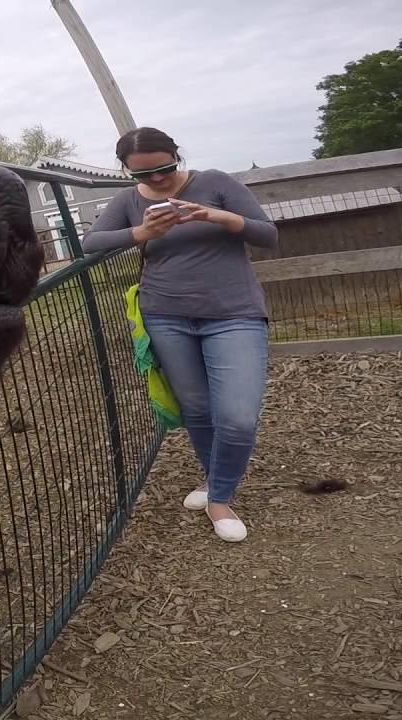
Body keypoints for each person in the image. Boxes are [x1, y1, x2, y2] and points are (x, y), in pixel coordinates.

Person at [83, 127, 278, 542]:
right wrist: (143, 233)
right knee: (196, 408)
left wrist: (223, 218)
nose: (157, 180)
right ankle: (215, 483)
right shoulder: (129, 200)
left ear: (177, 154)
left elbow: (268, 235)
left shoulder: (216, 183)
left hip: (234, 313)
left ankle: (219, 498)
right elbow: (91, 242)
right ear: (126, 171)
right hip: (165, 316)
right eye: (143, 174)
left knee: (238, 417)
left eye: (165, 168)